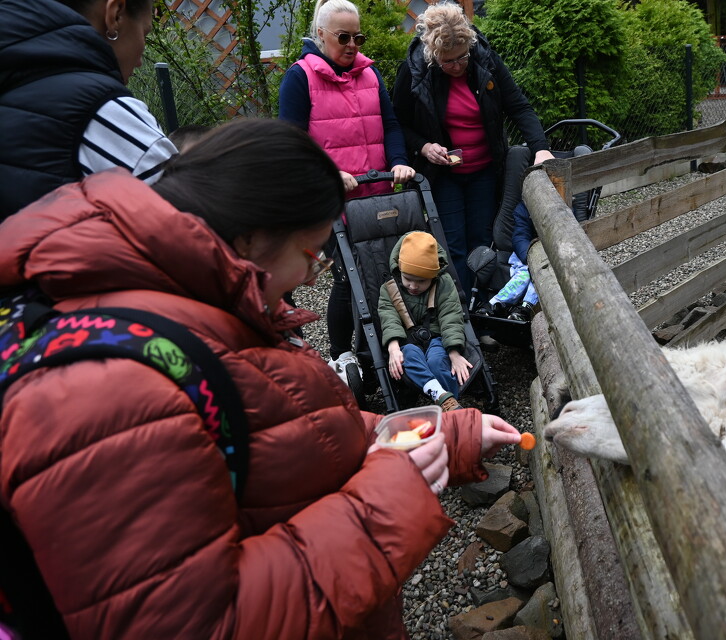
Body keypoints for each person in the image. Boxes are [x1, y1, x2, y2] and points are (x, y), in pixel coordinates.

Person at [0, 118, 520, 639]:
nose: (314, 276)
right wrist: (393, 489)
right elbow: (193, 623)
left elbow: (291, 427)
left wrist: (442, 438)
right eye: (310, 253)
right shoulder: (109, 387)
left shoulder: (208, 309)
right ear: (249, 239)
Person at [278, 0, 416, 374]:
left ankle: (376, 349)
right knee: (347, 277)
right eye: (343, 37)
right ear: (320, 35)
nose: (353, 44)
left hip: (376, 196)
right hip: (333, 202)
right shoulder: (300, 77)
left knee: (382, 273)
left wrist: (399, 160)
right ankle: (342, 354)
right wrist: (328, 172)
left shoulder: (370, 74)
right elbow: (291, 143)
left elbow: (389, 124)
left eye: (358, 36)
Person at [392, 1, 555, 292]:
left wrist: (540, 147)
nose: (456, 66)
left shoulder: (485, 60)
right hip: (443, 174)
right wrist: (425, 146)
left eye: (461, 58)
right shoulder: (414, 70)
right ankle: (463, 315)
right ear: (433, 54)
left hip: (484, 170)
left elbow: (519, 107)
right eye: (448, 61)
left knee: (482, 241)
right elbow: (398, 124)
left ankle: (484, 308)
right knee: (452, 243)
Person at [0, 0, 177, 221]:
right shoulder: (104, 110)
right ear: (115, 14)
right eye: (145, 31)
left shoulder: (13, 74)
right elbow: (189, 231)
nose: (141, 61)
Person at [378, 231, 472, 412]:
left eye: (421, 281)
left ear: (433, 276)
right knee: (408, 358)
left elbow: (450, 316)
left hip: (437, 338)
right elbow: (389, 318)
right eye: (408, 279)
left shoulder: (443, 284)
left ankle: (450, 406)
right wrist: (393, 348)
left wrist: (454, 352)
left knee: (437, 362)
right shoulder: (389, 289)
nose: (413, 286)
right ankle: (443, 398)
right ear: (400, 270)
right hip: (407, 341)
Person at [475, 199, 539, 323]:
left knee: (540, 273)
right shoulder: (524, 208)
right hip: (526, 253)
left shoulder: (565, 206)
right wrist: (528, 256)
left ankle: (525, 307)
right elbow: (520, 236)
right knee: (525, 274)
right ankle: (495, 304)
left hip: (550, 255)